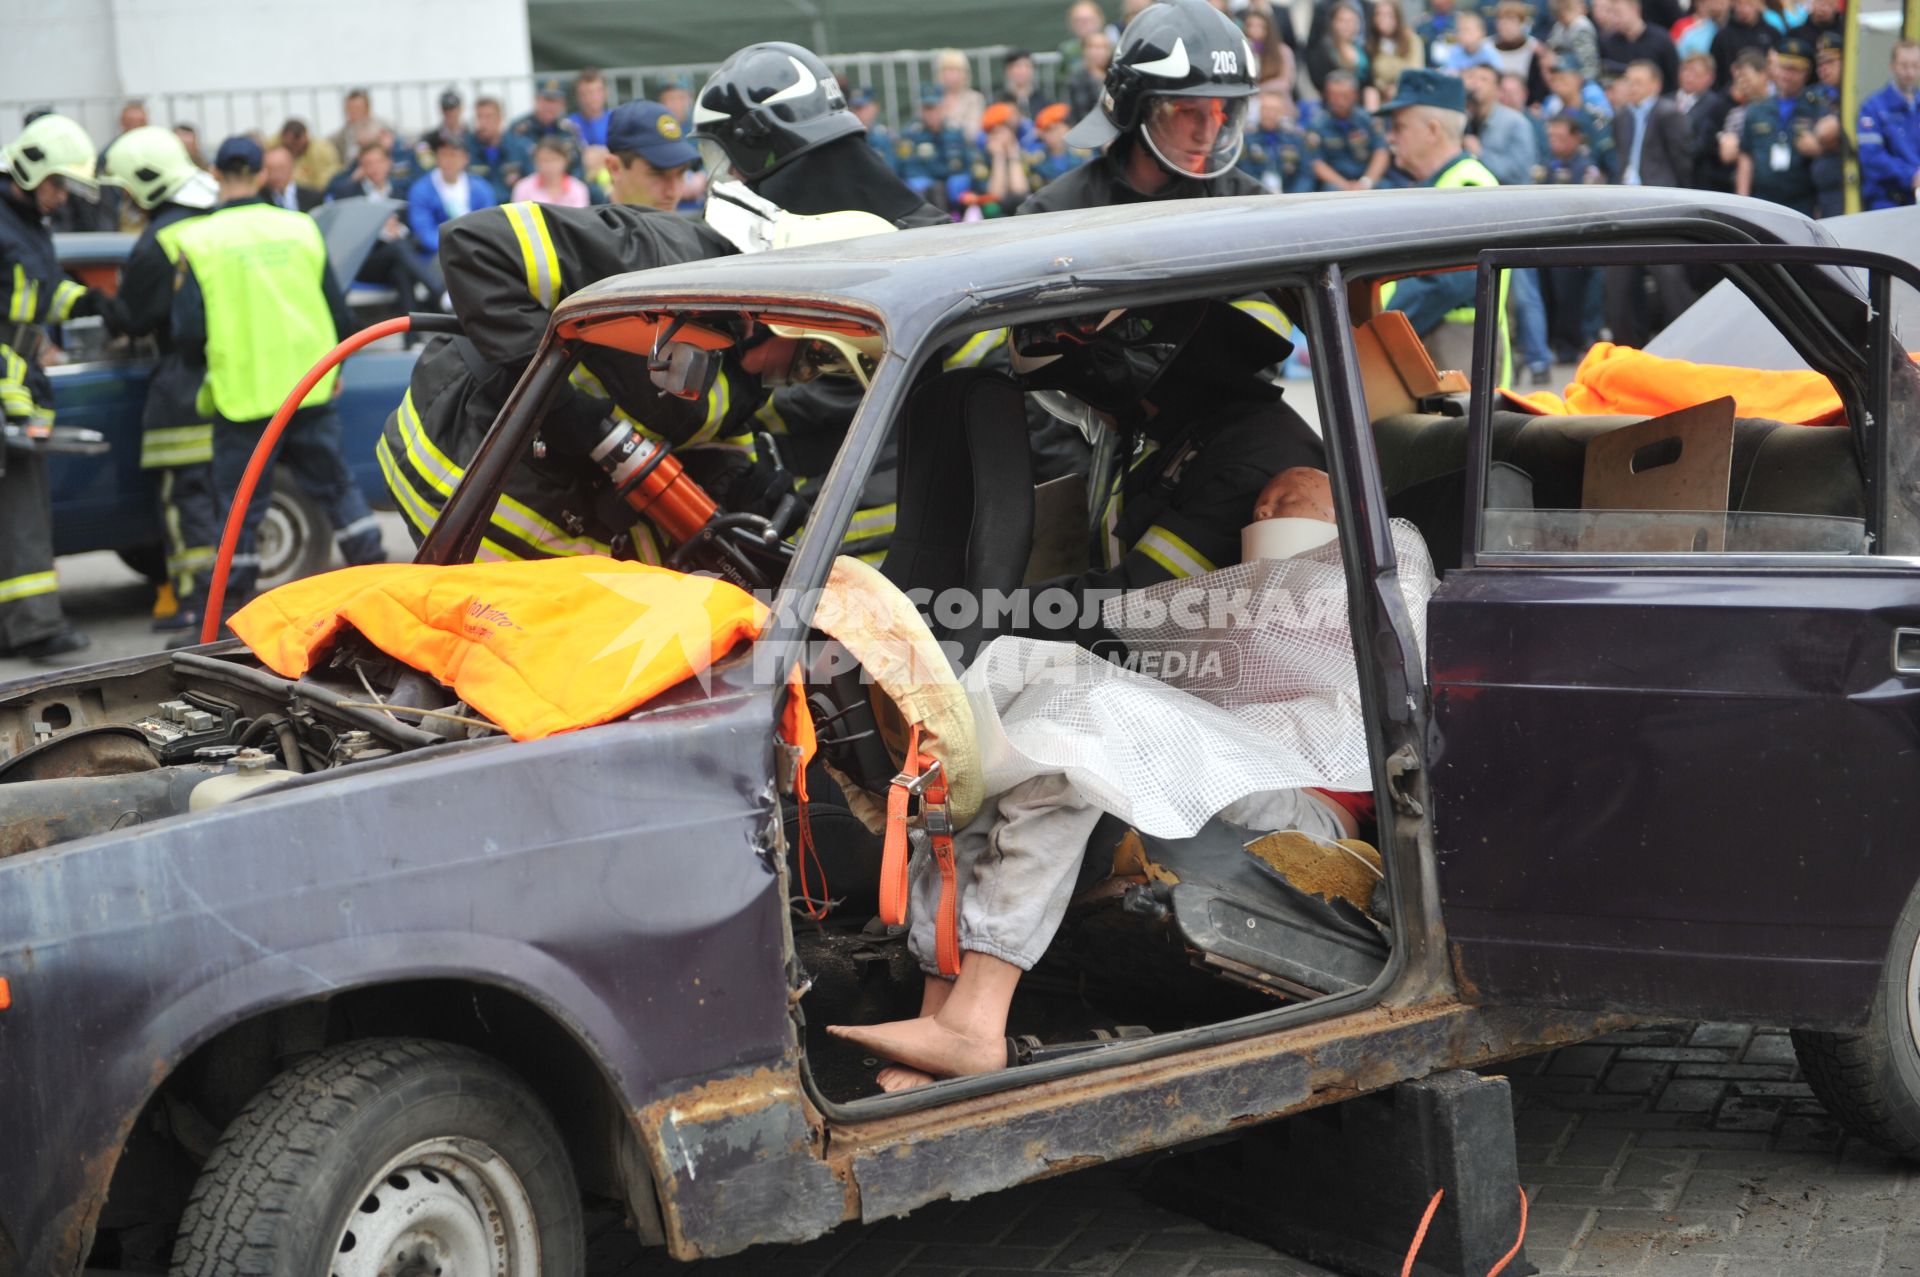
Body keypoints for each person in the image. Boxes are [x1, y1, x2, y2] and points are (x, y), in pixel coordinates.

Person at [160, 136, 385, 632]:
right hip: (310, 387)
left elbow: (188, 333)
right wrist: (336, 372)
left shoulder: (198, 240)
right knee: (336, 488)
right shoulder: (301, 228)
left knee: (241, 507)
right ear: (263, 174)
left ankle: (230, 618)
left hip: (244, 396)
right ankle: (381, 582)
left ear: (216, 175)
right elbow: (340, 312)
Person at [98, 126, 224, 632]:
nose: (127, 201)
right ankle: (223, 593)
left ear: (147, 183)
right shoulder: (211, 223)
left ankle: (196, 601)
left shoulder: (156, 242)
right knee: (219, 496)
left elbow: (133, 317)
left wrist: (98, 304)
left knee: (184, 498)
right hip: (227, 381)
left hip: (180, 387)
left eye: (128, 190)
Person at [0, 114, 107, 663]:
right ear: (30, 169)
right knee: (21, 510)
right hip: (9, 387)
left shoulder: (25, 225)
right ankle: (37, 626)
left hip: (21, 380)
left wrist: (87, 301)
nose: (61, 197)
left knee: (22, 507)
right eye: (57, 184)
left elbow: (40, 293)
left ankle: (14, 626)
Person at [1022, 0, 1266, 215]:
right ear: (1136, 108)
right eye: (1188, 111)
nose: (1206, 133)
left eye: (1219, 111)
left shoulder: (1248, 207)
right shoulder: (1061, 210)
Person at [1380, 70, 1511, 380]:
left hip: (1459, 363)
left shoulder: (1468, 186)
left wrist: (1379, 327)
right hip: (1445, 356)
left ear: (1433, 130)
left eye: (1399, 127)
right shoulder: (1443, 186)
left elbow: (1444, 283)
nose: (1391, 137)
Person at [1735, 38, 1824, 215]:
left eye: (1794, 70)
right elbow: (1746, 157)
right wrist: (1742, 200)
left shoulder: (1816, 108)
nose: (1786, 75)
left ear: (1806, 72)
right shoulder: (1757, 109)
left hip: (1803, 203)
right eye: (1783, 68)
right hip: (1762, 201)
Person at [409, 128, 500, 297]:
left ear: (465, 158)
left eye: (454, 155)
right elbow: (423, 230)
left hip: (474, 251)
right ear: (437, 157)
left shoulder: (481, 188)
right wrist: (452, 247)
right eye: (444, 154)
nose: (449, 161)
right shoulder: (421, 189)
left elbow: (488, 225)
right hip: (438, 254)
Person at [603, 100, 699, 211]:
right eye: (657, 174)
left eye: (681, 173)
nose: (673, 192)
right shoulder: (588, 227)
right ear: (614, 168)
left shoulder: (684, 227)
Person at [1858, 40, 1920, 209]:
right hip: (1886, 203)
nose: (1910, 72)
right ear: (1892, 65)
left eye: (1915, 66)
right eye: (1904, 65)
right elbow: (1872, 159)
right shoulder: (1873, 107)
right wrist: (1912, 176)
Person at [1310, 71, 1391, 189]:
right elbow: (1317, 163)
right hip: (1336, 183)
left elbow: (1381, 151)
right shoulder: (1317, 125)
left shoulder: (1368, 120)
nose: (1339, 101)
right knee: (1330, 190)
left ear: (1355, 95)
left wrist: (1366, 182)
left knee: (1387, 187)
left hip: (1367, 178)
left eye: (1344, 96)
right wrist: (1345, 185)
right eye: (1334, 96)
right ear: (1326, 95)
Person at [898, 86, 974, 208]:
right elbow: (910, 169)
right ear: (921, 111)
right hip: (928, 194)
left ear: (943, 108)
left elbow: (966, 164)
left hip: (952, 192)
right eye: (927, 109)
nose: (931, 114)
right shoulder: (911, 134)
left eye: (935, 108)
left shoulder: (955, 131)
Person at [1677, 50, 1735, 189]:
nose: (1688, 76)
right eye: (1685, 70)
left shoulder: (1715, 105)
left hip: (1697, 177)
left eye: (1695, 72)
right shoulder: (1666, 100)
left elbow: (1704, 143)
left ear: (1710, 77)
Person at [1241, 90, 1319, 191]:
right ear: (1259, 111)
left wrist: (1296, 197)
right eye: (1265, 109)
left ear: (1282, 112)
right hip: (1257, 193)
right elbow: (1243, 172)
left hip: (1290, 193)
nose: (1269, 114)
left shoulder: (1295, 136)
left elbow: (1305, 174)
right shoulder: (1247, 137)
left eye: (1274, 110)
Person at [1595, 0, 1679, 90]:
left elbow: (1674, 76)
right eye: (1611, 13)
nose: (1614, 18)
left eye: (1618, 12)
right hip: (1622, 100)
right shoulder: (1607, 42)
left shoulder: (1661, 39)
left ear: (1635, 9)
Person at [1809, 33, 1847, 217]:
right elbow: (1804, 142)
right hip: (1822, 191)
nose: (1823, 69)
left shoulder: (1853, 95)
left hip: (1847, 185)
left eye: (1830, 62)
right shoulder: (1814, 96)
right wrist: (1834, 143)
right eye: (1820, 64)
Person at [511, 80, 585, 164]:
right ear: (536, 100)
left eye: (555, 101)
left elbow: (578, 163)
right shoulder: (520, 129)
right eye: (547, 100)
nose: (550, 106)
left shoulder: (569, 129)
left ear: (562, 104)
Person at [466, 96, 527, 198]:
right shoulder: (466, 149)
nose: (483, 122)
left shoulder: (519, 147)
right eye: (479, 117)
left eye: (489, 117)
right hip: (480, 209)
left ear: (500, 118)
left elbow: (531, 182)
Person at [1367, 0, 1427, 104]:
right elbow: (1375, 78)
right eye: (1378, 14)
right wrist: (1385, 86)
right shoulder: (1371, 45)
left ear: (1397, 17)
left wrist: (1396, 85)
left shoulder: (1412, 40)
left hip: (1410, 94)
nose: (1383, 19)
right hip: (1385, 98)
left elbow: (1415, 70)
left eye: (1388, 15)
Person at [1308, 2, 1373, 96]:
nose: (1347, 25)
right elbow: (1320, 80)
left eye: (1351, 21)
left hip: (1362, 99)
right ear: (1333, 23)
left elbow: (1370, 81)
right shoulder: (1323, 50)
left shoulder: (1364, 48)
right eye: (1342, 21)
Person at [1711, 0, 1776, 90]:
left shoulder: (1771, 33)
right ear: (1733, 5)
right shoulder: (1723, 36)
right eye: (1740, 3)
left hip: (1765, 90)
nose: (1744, 9)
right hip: (1732, 92)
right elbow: (1716, 70)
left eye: (1749, 4)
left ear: (1758, 4)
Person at [512, 136, 591, 208]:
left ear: (566, 160)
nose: (548, 166)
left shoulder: (578, 188)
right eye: (543, 160)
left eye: (554, 159)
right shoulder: (523, 187)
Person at [274, 119, 341, 197]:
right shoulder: (278, 148)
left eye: (296, 143)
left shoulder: (321, 151)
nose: (294, 148)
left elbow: (325, 182)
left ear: (305, 137)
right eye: (289, 144)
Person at [933, 48, 988, 137]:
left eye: (957, 70)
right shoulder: (933, 98)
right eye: (948, 69)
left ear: (965, 74)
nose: (952, 75)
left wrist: (946, 126)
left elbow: (973, 132)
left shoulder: (974, 98)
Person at [1067, 29, 1117, 123]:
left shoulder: (1116, 74)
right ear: (1084, 50)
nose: (1100, 51)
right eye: (1094, 47)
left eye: (1104, 47)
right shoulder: (1078, 78)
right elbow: (1081, 112)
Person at [999, 48, 1052, 121]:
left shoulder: (1043, 101)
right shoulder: (1000, 101)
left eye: (1027, 66)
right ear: (1008, 70)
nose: (1023, 71)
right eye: (1018, 66)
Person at [568, 68, 612, 150]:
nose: (593, 97)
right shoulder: (569, 125)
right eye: (586, 93)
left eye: (598, 91)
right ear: (577, 96)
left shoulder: (616, 121)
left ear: (606, 92)